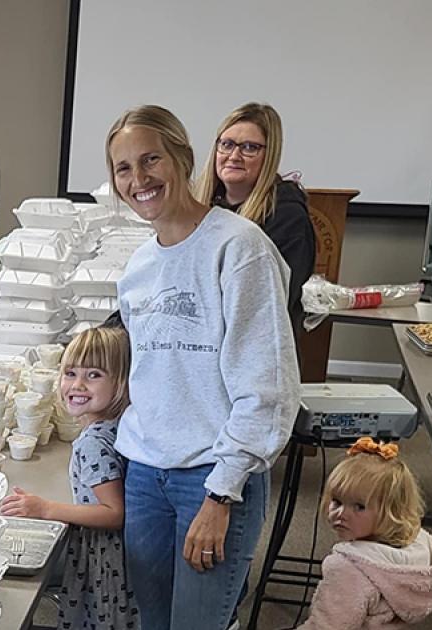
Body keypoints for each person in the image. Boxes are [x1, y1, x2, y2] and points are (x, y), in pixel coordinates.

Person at [108, 105, 301, 630]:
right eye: (123, 168)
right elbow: (154, 372)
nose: (138, 179)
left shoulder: (240, 248)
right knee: (152, 622)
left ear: (184, 159)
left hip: (212, 478)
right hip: (146, 474)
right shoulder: (139, 266)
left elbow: (269, 389)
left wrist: (222, 492)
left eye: (151, 160)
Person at [1, 327, 139, 630]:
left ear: (121, 382)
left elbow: (114, 513)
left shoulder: (93, 443)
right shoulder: (118, 424)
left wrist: (44, 508)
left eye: (94, 375)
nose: (77, 384)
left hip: (103, 553)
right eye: (70, 373)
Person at [299, 438, 432, 629]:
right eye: (337, 501)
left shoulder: (349, 570)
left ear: (391, 512)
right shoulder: (420, 546)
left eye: (359, 507)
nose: (341, 514)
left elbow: (326, 626)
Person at [196, 102, 315, 337]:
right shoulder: (200, 206)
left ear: (269, 155)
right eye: (227, 144)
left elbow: (268, 300)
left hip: (255, 343)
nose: (234, 156)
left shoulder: (287, 217)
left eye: (249, 147)